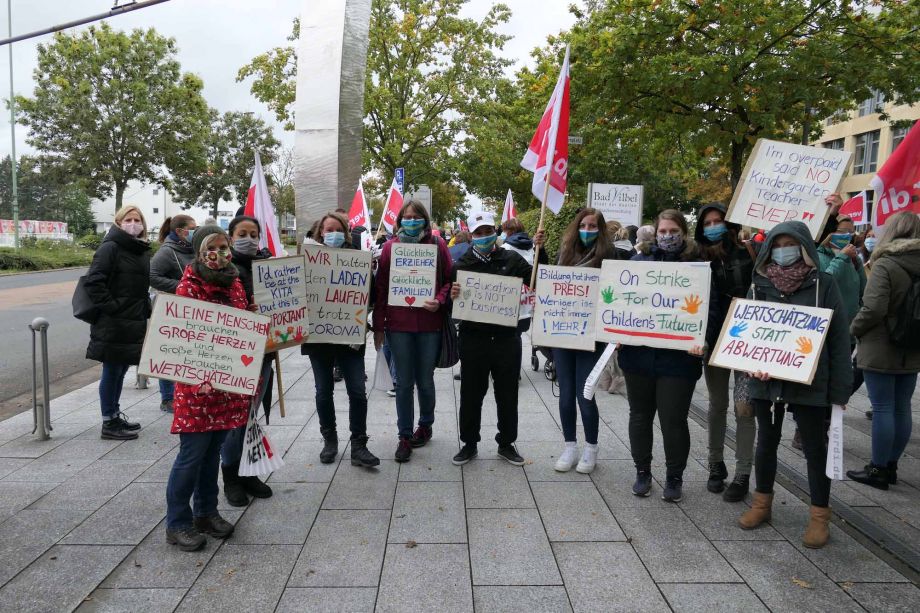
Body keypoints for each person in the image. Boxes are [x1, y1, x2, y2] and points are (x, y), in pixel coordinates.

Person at [738, 221, 852, 549]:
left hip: (811, 382)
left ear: (804, 246)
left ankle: (819, 516)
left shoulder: (824, 285)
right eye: (777, 244)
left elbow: (839, 339)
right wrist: (750, 366)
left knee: (815, 448)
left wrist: (840, 390)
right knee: (766, 443)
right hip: (766, 381)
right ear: (769, 248)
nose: (783, 250)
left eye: (790, 243)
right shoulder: (759, 284)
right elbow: (747, 333)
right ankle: (762, 503)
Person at [618, 210, 716, 502]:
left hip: (679, 360)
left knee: (673, 420)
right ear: (655, 233)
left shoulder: (697, 268)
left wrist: (703, 339)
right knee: (639, 416)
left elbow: (710, 310)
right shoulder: (637, 263)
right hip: (638, 358)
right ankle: (642, 471)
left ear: (683, 233)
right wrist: (616, 329)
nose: (667, 236)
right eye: (663, 231)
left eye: (673, 230)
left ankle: (675, 477)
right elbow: (623, 302)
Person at [165, 225, 251, 551]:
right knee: (191, 455)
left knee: (213, 452)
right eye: (211, 248)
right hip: (197, 388)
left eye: (223, 246)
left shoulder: (235, 281)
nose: (220, 253)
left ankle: (206, 512)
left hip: (227, 385)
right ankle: (177, 523)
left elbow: (237, 321)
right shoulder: (189, 288)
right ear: (200, 252)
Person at [450, 212, 544, 466]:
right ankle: (469, 443)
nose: (484, 237)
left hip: (506, 338)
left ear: (496, 232)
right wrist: (452, 294)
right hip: (473, 339)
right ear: (471, 236)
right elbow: (451, 303)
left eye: (488, 231)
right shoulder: (461, 264)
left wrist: (540, 251)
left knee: (507, 393)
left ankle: (506, 443)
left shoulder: (511, 258)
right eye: (478, 233)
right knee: (471, 394)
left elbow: (536, 280)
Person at [372, 201, 453, 462]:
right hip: (398, 326)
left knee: (425, 381)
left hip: (430, 325)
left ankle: (425, 425)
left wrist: (439, 300)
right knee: (404, 382)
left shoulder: (438, 245)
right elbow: (381, 286)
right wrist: (379, 324)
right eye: (406, 217)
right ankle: (404, 435)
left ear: (425, 219)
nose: (411, 220)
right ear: (399, 221)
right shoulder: (389, 248)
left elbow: (450, 279)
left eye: (416, 216)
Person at [301, 211, 380, 468]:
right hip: (319, 337)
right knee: (323, 391)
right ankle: (330, 440)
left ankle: (359, 444)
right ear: (320, 232)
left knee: (357, 390)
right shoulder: (307, 260)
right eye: (327, 229)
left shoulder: (357, 259)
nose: (332, 234)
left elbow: (371, 298)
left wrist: (369, 277)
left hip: (349, 338)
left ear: (345, 232)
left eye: (338, 229)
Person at [847, 212, 920, 489]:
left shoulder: (886, 263)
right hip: (912, 345)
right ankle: (891, 465)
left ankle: (877, 469)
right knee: (902, 408)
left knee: (882, 407)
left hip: (881, 344)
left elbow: (874, 307)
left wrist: (854, 329)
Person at [694, 203, 755, 501]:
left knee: (745, 408)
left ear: (727, 224)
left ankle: (743, 472)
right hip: (714, 342)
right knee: (717, 404)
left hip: (746, 342)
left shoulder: (748, 253)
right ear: (701, 228)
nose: (713, 226)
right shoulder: (695, 258)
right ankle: (715, 465)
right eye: (708, 223)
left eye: (718, 221)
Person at [552, 209, 616, 474]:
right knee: (565, 394)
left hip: (592, 336)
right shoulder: (564, 254)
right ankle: (570, 446)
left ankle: (591, 447)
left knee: (584, 393)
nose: (587, 230)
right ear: (576, 227)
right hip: (563, 333)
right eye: (583, 225)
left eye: (593, 226)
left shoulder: (610, 257)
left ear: (600, 230)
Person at [218, 215, 275, 507]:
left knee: (251, 414)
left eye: (254, 234)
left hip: (265, 351)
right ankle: (230, 476)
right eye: (243, 233)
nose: (249, 239)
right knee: (233, 417)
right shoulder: (223, 269)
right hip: (235, 355)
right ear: (230, 236)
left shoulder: (269, 266)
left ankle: (247, 471)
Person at [84, 205, 151, 441]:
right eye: (128, 219)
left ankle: (114, 414)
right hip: (114, 322)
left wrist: (145, 309)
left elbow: (140, 286)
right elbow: (94, 282)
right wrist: (113, 308)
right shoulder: (110, 247)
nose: (133, 223)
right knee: (112, 370)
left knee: (121, 370)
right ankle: (108, 421)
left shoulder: (140, 249)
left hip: (132, 320)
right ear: (118, 222)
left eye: (137, 219)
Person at [149, 214, 198, 413]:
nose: (196, 230)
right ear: (179, 231)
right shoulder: (167, 251)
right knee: (170, 353)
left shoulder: (193, 248)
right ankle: (167, 398)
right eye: (192, 228)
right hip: (172, 309)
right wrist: (181, 286)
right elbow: (152, 276)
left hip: (191, 309)